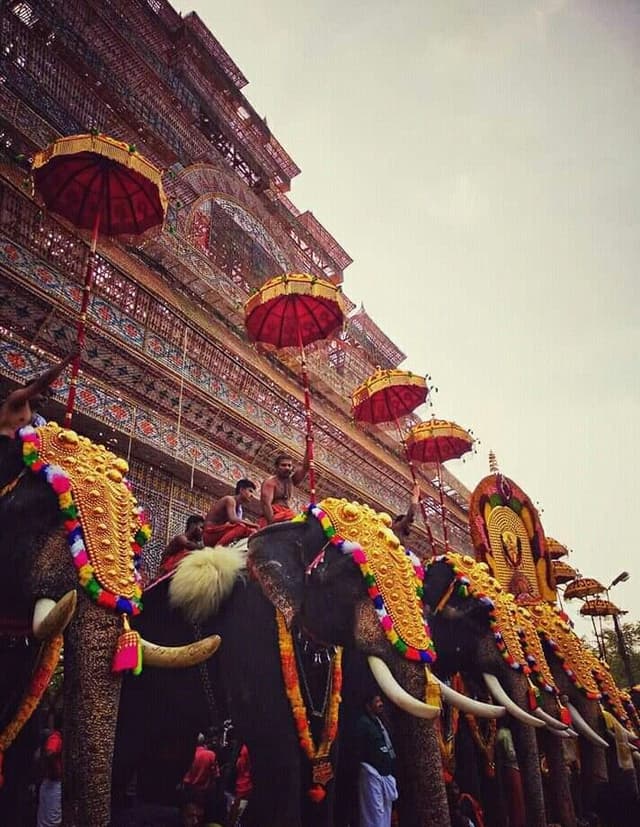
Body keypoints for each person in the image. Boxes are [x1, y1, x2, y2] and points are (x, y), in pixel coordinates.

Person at [0, 347, 78, 437]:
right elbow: (44, 381)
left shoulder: (41, 422)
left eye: (48, 397)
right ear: (31, 389)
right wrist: (67, 360)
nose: (45, 398)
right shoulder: (16, 399)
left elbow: (31, 447)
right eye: (42, 394)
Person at [356, 694, 398, 827]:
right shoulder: (363, 723)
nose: (381, 704)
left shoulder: (380, 721)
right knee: (374, 817)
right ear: (368, 706)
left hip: (385, 775)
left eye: (381, 700)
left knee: (385, 815)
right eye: (377, 701)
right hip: (371, 774)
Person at [260, 447, 310, 525]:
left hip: (286, 515)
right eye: (283, 465)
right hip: (273, 517)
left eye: (289, 465)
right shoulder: (270, 482)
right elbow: (266, 504)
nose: (287, 468)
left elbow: (306, 467)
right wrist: (272, 524)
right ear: (276, 467)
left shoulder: (291, 481)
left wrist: (308, 445)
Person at [203, 479, 259, 547]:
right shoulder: (230, 500)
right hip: (209, 533)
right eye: (250, 491)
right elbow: (233, 519)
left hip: (218, 533)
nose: (252, 495)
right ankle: (218, 547)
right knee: (241, 527)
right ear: (241, 490)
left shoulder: (239, 508)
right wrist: (254, 525)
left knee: (251, 531)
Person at [183, 734, 219, 816]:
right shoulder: (211, 755)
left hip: (188, 791)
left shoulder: (188, 753)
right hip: (204, 793)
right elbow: (216, 776)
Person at [36, 721, 63, 827]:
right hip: (53, 784)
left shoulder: (54, 737)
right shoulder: (55, 737)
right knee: (51, 821)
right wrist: (55, 770)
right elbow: (49, 753)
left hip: (50, 784)